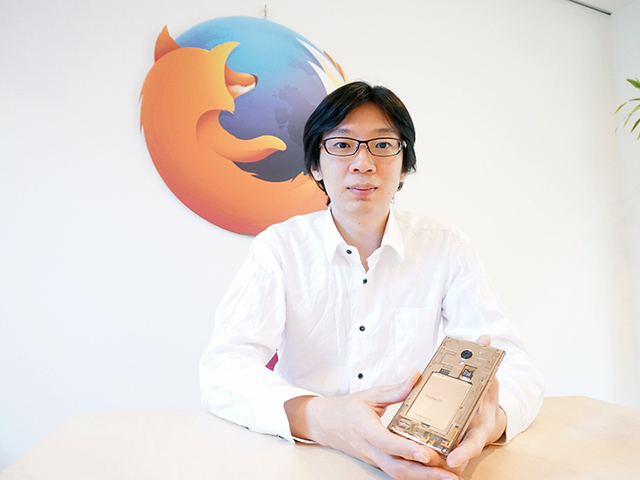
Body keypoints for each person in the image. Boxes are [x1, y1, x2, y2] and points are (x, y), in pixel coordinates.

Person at [200, 81, 544, 480]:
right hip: (304, 456)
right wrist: (321, 417)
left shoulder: (446, 246)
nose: (363, 163)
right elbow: (223, 368)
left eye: (382, 145)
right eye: (342, 145)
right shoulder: (279, 248)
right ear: (315, 165)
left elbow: (515, 367)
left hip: (414, 456)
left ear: (405, 166)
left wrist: (493, 420)